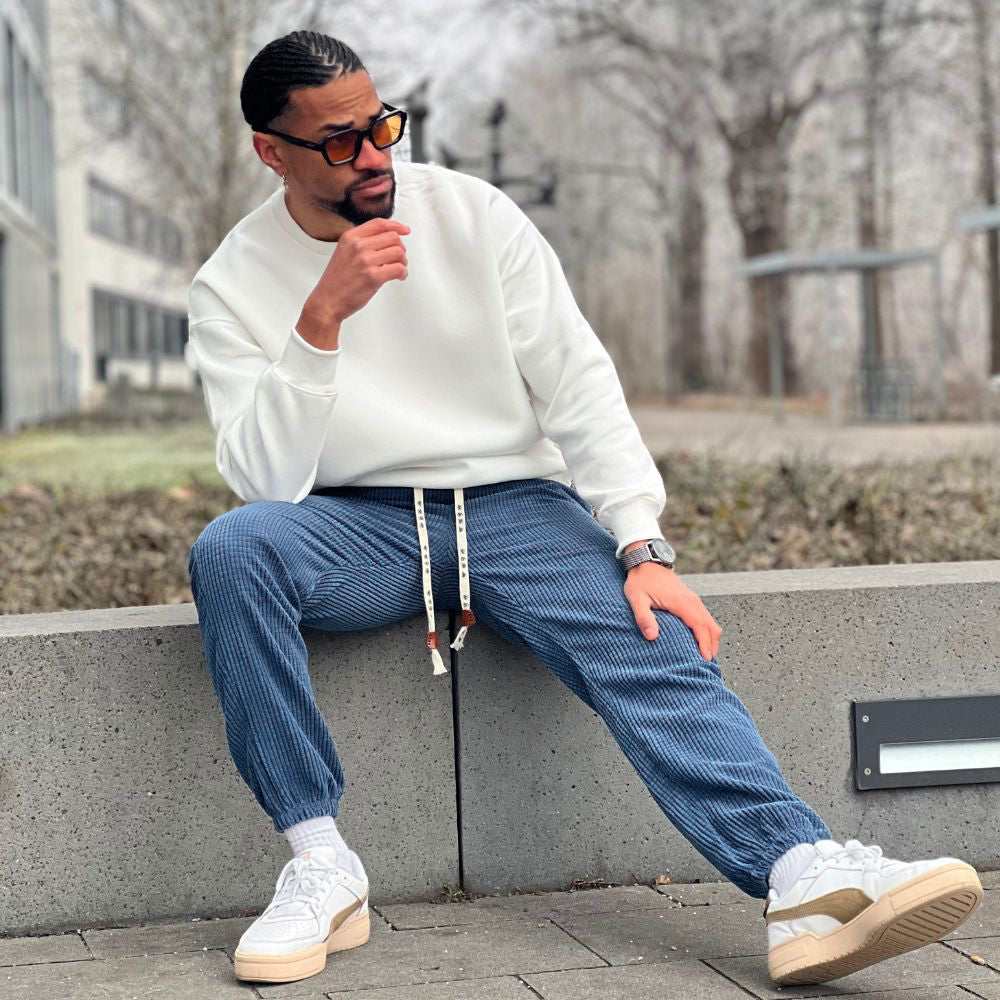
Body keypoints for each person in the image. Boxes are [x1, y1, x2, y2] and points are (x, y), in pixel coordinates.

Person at [184, 28, 983, 989]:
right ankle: (322, 865)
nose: (374, 157)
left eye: (383, 127)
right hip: (358, 523)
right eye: (340, 142)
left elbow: (578, 383)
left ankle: (800, 877)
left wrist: (642, 541)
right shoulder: (231, 283)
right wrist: (320, 322)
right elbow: (264, 482)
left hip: (516, 507)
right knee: (233, 550)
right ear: (272, 152)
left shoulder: (473, 216)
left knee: (649, 634)